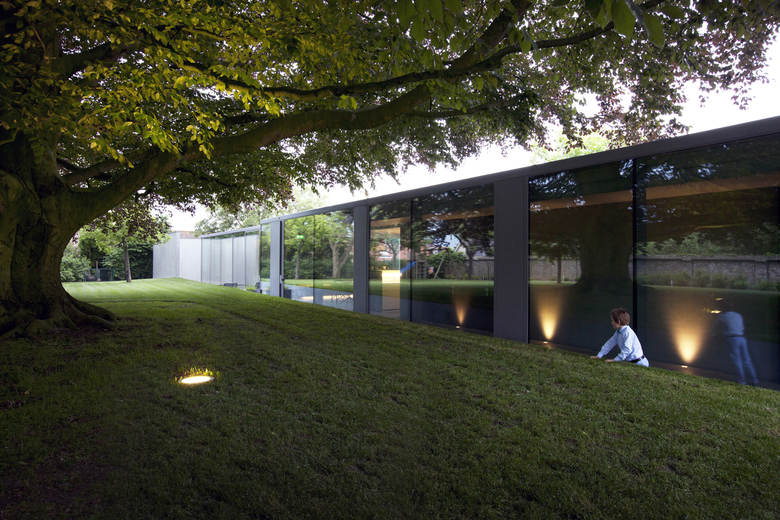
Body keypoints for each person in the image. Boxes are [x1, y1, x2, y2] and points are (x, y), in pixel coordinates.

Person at [710, 300, 758, 386]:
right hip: (742, 338)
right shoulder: (738, 315)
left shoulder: (722, 316)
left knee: (737, 361)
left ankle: (741, 381)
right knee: (747, 360)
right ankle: (754, 380)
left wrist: (711, 336)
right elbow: (742, 328)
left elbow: (714, 329)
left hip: (731, 339)